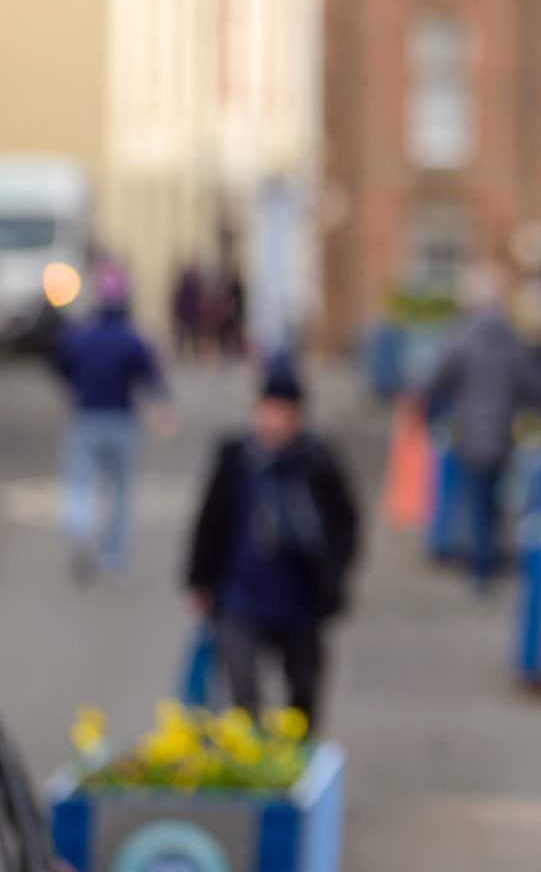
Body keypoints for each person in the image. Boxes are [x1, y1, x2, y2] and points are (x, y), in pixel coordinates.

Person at [185, 360, 359, 729]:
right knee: (243, 691)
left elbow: (346, 524)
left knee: (303, 696)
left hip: (300, 600)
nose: (271, 421)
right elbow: (210, 519)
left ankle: (297, 771)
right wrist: (199, 580)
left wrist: (335, 576)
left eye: (281, 412)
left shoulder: (318, 461)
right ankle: (253, 762)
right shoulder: (236, 457)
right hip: (240, 597)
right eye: (265, 410)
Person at [427, 263, 541, 591]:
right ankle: (491, 557)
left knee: (478, 501)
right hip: (504, 433)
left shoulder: (461, 338)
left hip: (471, 431)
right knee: (496, 501)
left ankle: (482, 570)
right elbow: (534, 386)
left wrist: (432, 411)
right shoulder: (512, 339)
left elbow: (439, 379)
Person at [55, 261, 175, 580]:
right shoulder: (132, 338)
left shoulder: (81, 336)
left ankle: (81, 530)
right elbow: (151, 377)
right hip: (121, 421)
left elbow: (62, 365)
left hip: (86, 418)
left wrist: (77, 387)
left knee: (80, 484)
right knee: (121, 491)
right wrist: (162, 410)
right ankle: (116, 556)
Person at [171, 264, 204, 358]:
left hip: (188, 315)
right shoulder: (190, 287)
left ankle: (192, 354)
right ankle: (187, 354)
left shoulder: (186, 287)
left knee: (189, 337)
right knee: (186, 337)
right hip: (187, 315)